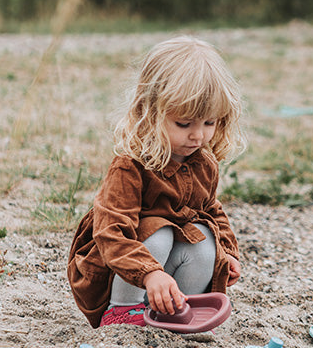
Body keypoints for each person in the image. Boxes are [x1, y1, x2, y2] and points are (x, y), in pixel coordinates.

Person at [68, 36, 246, 328]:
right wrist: (150, 273)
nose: (198, 136)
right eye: (184, 124)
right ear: (150, 113)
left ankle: (177, 310)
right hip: (113, 273)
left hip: (160, 279)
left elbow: (212, 210)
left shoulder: (203, 163)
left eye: (210, 123)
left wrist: (227, 252)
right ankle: (123, 313)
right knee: (158, 232)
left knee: (203, 237)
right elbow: (110, 233)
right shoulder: (131, 167)